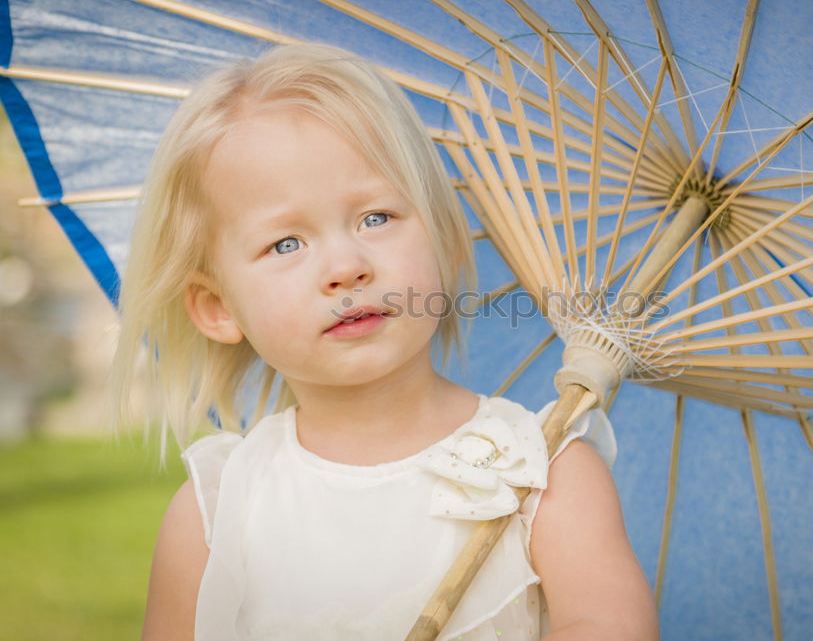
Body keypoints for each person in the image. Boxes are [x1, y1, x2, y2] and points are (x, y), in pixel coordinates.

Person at [109, 43, 657, 640]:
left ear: (446, 244)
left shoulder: (542, 474)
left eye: (376, 218)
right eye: (285, 244)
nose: (346, 265)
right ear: (217, 308)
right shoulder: (214, 514)